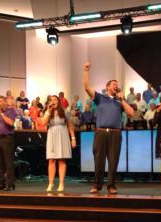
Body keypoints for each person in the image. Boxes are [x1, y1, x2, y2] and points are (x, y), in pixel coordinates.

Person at [84, 62, 134, 194]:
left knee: (113, 161)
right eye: (113, 85)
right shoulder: (100, 98)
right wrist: (86, 71)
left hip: (115, 133)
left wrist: (122, 99)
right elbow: (86, 87)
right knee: (99, 160)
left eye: (117, 86)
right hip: (100, 133)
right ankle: (97, 185)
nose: (116, 87)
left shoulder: (120, 101)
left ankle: (111, 185)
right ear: (107, 87)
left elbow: (131, 113)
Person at [39, 95, 76, 192]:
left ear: (58, 101)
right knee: (51, 160)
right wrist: (48, 111)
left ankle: (61, 183)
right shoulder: (47, 112)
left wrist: (73, 138)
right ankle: (51, 183)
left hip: (62, 135)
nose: (53, 101)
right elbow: (43, 123)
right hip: (52, 136)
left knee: (61, 160)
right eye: (51, 100)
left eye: (55, 100)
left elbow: (70, 125)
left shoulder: (64, 112)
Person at [0, 95, 18, 191]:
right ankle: (1, 183)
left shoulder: (11, 111)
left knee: (8, 163)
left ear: (5, 102)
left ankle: (10, 184)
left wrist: (1, 113)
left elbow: (10, 123)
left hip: (7, 139)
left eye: (0, 101)